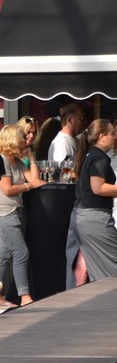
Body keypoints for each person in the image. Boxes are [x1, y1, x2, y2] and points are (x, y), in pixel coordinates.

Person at [0, 125, 46, 306]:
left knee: (4, 256)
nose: (25, 140)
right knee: (21, 252)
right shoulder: (2, 160)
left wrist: (31, 158)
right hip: (4, 214)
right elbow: (7, 189)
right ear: (13, 140)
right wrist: (28, 186)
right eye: (22, 137)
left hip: (15, 212)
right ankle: (24, 296)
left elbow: (35, 179)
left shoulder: (15, 161)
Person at [73, 119, 117, 280]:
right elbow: (97, 187)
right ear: (102, 136)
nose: (115, 137)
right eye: (112, 134)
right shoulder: (99, 157)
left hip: (83, 216)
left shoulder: (90, 154)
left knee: (99, 273)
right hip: (95, 218)